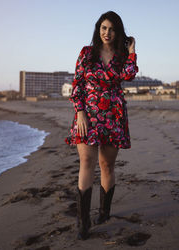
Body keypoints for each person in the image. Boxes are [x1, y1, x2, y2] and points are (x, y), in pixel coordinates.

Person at [65, 10, 139, 240]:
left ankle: (105, 212)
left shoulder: (120, 55)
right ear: (98, 29)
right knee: (86, 161)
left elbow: (129, 75)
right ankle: (83, 222)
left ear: (118, 32)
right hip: (89, 114)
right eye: (104, 28)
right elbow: (77, 84)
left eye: (112, 29)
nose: (107, 32)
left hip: (114, 115)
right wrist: (80, 113)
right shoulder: (87, 53)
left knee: (107, 165)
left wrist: (132, 51)